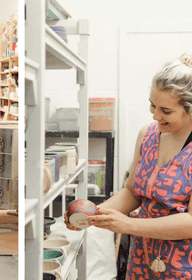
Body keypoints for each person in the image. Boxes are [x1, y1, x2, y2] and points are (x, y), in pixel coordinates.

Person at [66, 52, 192, 279]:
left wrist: (128, 225)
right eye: (153, 106)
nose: (155, 116)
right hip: (142, 257)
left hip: (183, 263)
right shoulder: (148, 135)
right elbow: (132, 192)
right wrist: (95, 215)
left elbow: (190, 222)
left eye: (166, 111)